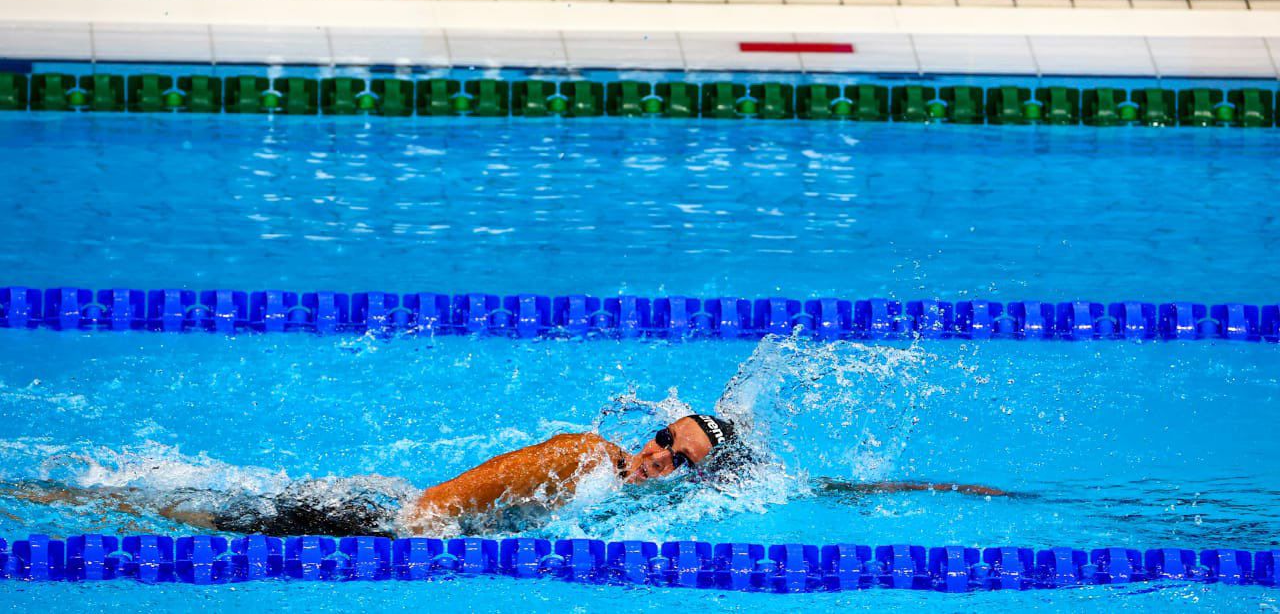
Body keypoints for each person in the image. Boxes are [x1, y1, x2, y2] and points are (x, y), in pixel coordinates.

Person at [11, 413, 1006, 537]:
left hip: (378, 520)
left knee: (186, 505)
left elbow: (820, 493)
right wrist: (412, 541)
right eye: (665, 435)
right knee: (175, 512)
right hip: (377, 525)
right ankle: (38, 495)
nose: (659, 453)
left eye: (681, 458)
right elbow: (440, 507)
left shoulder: (621, 493)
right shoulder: (583, 455)